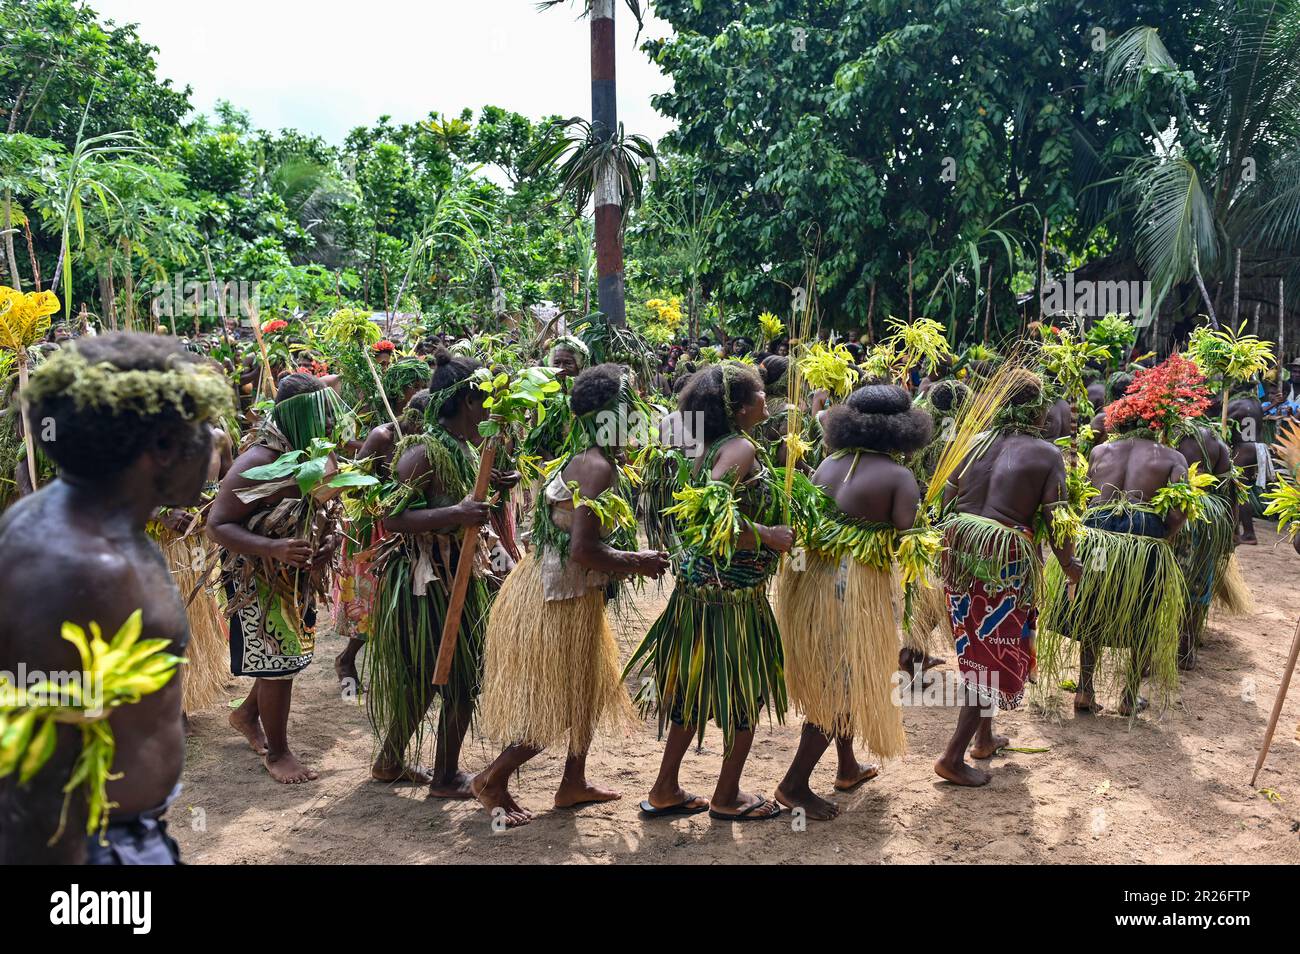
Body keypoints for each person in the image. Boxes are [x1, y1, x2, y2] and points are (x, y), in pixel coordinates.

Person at [0, 333, 231, 862]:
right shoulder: (85, 571)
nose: (217, 440)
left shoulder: (56, 515)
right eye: (203, 427)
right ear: (164, 449)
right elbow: (33, 765)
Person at [474, 365, 670, 826]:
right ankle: (490, 779)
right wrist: (637, 560)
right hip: (557, 597)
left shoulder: (584, 455)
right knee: (561, 701)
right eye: (630, 407)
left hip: (564, 594)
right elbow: (583, 550)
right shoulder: (597, 466)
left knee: (586, 691)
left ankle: (573, 783)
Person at [627, 361, 794, 821]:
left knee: (691, 689)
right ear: (741, 408)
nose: (766, 398)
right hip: (730, 603)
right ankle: (726, 796)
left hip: (700, 592)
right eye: (760, 393)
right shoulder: (739, 448)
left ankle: (665, 788)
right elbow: (706, 521)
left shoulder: (711, 445)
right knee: (744, 692)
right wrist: (768, 535)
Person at [773, 384, 933, 820]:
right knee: (841, 684)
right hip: (852, 587)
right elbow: (905, 534)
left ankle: (846, 767)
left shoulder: (828, 462)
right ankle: (793, 785)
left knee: (842, 669)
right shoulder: (899, 476)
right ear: (903, 429)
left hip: (811, 583)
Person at [364, 348, 512, 794]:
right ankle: (444, 776)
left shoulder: (463, 450)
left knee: (434, 676)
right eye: (485, 400)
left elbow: (463, 509)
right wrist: (458, 511)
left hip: (459, 574)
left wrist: (484, 498)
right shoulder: (423, 452)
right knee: (456, 678)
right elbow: (390, 519)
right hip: (427, 583)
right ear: (467, 401)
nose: (488, 411)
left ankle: (390, 761)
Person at [937, 369, 1081, 786]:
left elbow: (947, 499)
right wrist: (1071, 567)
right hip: (1003, 561)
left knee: (978, 649)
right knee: (992, 656)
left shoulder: (970, 442)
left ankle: (983, 738)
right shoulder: (1047, 454)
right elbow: (1057, 518)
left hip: (959, 547)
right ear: (1038, 410)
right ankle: (952, 756)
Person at [1039, 355, 1200, 719]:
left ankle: (1084, 688)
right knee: (1144, 612)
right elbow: (1180, 511)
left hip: (1097, 539)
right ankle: (1128, 695)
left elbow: (1084, 493)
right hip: (1143, 544)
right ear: (1156, 424)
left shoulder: (1099, 450)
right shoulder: (1171, 456)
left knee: (1093, 603)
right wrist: (1162, 538)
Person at [208, 373, 345, 784]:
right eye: (320, 415)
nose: (328, 424)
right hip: (258, 576)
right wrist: (274, 549)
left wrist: (329, 542)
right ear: (299, 415)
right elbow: (217, 524)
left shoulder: (313, 453)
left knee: (287, 659)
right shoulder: (259, 462)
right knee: (277, 665)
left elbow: (329, 508)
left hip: (295, 573)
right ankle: (278, 753)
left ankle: (247, 714)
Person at [1172, 420, 1234, 669]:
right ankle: (1185, 648)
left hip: (1170, 514)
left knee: (1161, 581)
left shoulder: (1166, 433)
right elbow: (1228, 493)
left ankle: (1150, 650)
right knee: (1196, 583)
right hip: (1206, 520)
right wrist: (1227, 538)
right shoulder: (1216, 442)